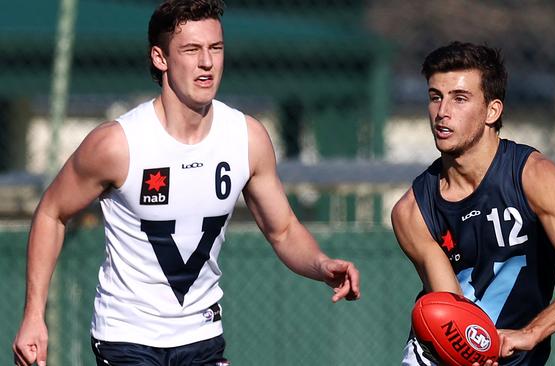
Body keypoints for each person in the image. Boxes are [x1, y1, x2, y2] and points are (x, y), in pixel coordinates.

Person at [12, 1, 361, 365]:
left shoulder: (247, 138)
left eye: (216, 48)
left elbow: (284, 231)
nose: (207, 62)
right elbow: (51, 213)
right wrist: (34, 314)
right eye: (192, 50)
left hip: (203, 337)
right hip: (127, 339)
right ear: (160, 58)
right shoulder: (117, 144)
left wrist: (322, 265)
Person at [392, 41, 555, 366]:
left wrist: (532, 332)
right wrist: (470, 352)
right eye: (435, 97)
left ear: (492, 111)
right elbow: (453, 309)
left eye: (459, 98)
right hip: (443, 355)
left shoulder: (535, 178)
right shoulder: (413, 211)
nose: (442, 112)